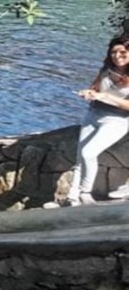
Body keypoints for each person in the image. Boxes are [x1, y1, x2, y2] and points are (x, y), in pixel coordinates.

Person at [46, 34, 129, 207]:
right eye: (113, 52)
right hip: (94, 114)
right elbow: (95, 88)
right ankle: (72, 198)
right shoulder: (106, 70)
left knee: (89, 153)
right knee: (80, 158)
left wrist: (107, 97)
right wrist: (90, 93)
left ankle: (85, 194)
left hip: (117, 120)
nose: (117, 56)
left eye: (122, 52)